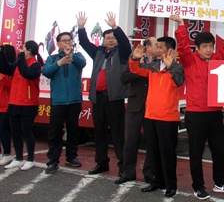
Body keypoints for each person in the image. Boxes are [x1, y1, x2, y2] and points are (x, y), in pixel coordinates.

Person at [173, 13, 224, 200]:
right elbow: (183, 46)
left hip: (215, 113)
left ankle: (219, 182)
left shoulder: (217, 58)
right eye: (205, 47)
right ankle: (198, 186)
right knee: (196, 151)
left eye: (211, 46)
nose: (209, 50)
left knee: (220, 150)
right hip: (196, 114)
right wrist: (181, 25)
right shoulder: (190, 60)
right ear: (198, 48)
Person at [77, 11, 131, 175]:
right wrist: (81, 28)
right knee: (99, 133)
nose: (111, 40)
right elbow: (85, 43)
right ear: (103, 40)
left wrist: (115, 26)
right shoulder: (98, 52)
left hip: (114, 99)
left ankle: (123, 165)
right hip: (98, 99)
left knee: (118, 134)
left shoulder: (122, 53)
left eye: (113, 38)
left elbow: (125, 43)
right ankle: (102, 163)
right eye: (108, 37)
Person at [129, 36, 184, 198]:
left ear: (170, 50)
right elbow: (135, 69)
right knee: (152, 152)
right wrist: (134, 58)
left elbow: (179, 82)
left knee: (167, 154)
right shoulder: (152, 66)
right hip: (150, 116)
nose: (157, 50)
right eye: (157, 47)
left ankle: (170, 185)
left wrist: (171, 67)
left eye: (160, 47)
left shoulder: (178, 68)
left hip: (168, 118)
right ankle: (156, 181)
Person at [42, 32, 86, 174]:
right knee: (55, 132)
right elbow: (47, 72)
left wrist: (70, 56)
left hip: (74, 100)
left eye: (69, 40)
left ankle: (71, 157)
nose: (67, 43)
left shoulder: (77, 56)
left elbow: (83, 64)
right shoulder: (52, 58)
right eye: (64, 41)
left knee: (73, 130)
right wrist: (60, 63)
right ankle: (53, 161)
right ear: (58, 43)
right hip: (58, 101)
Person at [115, 37, 157, 185]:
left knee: (151, 141)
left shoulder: (162, 61)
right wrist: (137, 66)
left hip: (153, 106)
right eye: (155, 44)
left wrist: (145, 68)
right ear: (147, 47)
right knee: (130, 141)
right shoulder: (134, 58)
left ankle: (149, 172)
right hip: (135, 104)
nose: (158, 47)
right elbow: (124, 78)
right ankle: (127, 173)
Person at [0, 41, 43, 171]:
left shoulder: (36, 65)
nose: (20, 49)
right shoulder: (19, 63)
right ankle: (18, 158)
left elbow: (27, 74)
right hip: (14, 102)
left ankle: (30, 159)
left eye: (23, 48)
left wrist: (20, 59)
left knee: (26, 131)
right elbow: (6, 69)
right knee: (15, 132)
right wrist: (2, 53)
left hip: (28, 104)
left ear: (29, 51)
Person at [0, 44, 16, 166]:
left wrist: (2, 78)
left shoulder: (11, 69)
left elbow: (10, 87)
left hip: (5, 105)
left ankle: (7, 153)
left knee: (3, 130)